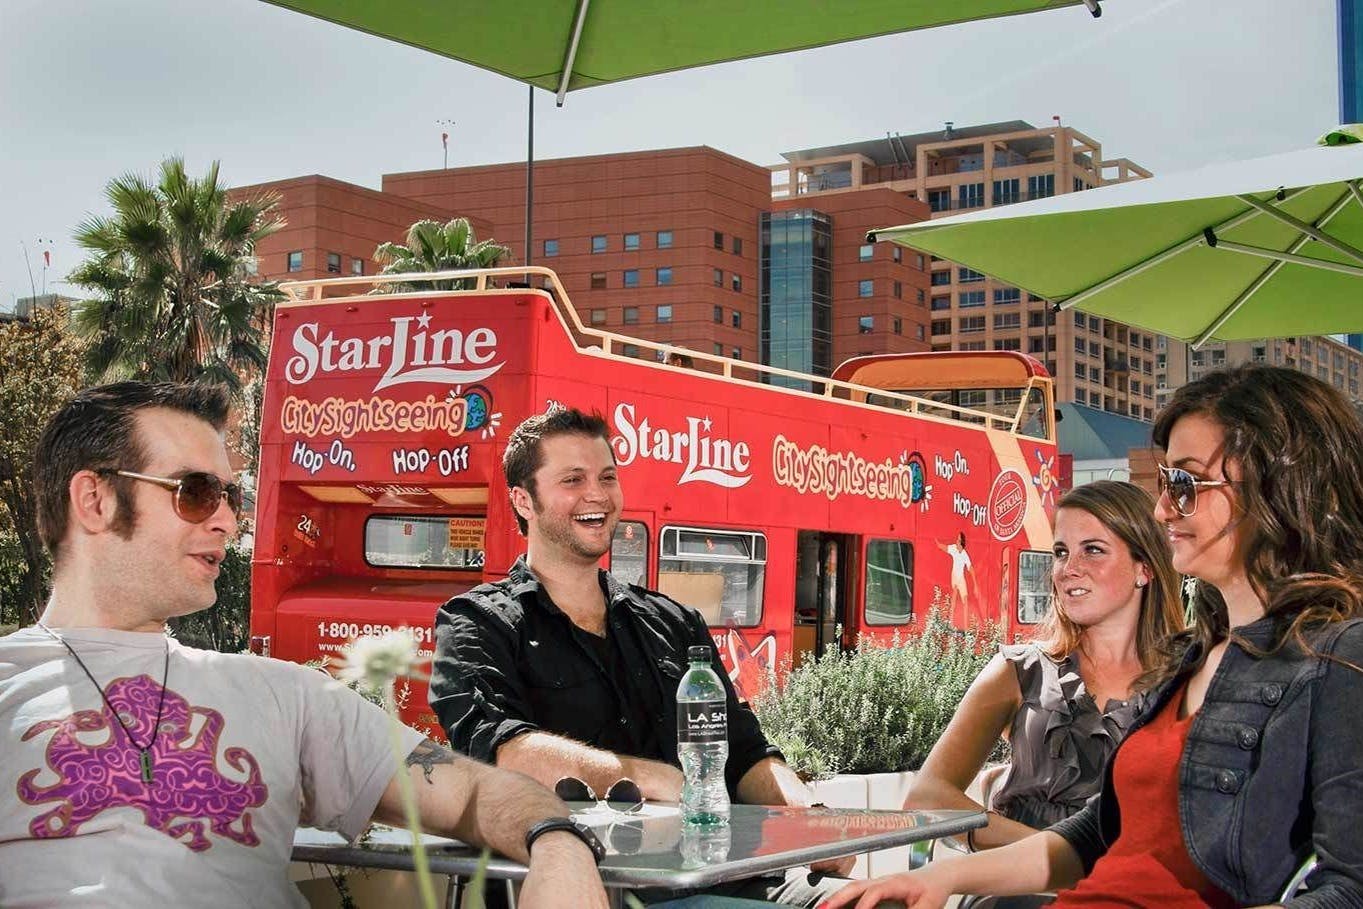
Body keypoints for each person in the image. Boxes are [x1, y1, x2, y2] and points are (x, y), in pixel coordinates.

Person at [0, 382, 608, 908]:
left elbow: (474, 791)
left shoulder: (282, 694)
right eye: (196, 492)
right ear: (96, 500)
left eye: (231, 497)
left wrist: (560, 847)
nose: (227, 521)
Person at [825, 365, 1363, 909]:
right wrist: (937, 879)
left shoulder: (1340, 658)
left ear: (1280, 489)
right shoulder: (1191, 658)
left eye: (1185, 484)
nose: (1162, 509)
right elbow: (1098, 837)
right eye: (1165, 485)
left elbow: (1350, 889)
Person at [429, 406, 851, 907]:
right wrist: (645, 777)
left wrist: (812, 816)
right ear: (524, 500)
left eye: (608, 477)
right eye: (573, 479)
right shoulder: (476, 622)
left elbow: (744, 752)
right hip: (587, 888)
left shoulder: (674, 621)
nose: (597, 494)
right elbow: (500, 751)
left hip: (726, 877)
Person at [905, 483, 1184, 889]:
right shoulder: (1018, 670)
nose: (1068, 568)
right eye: (1060, 552)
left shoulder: (1190, 677)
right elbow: (926, 797)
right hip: (1022, 893)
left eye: (1093, 550)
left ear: (1145, 568)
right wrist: (1055, 856)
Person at [938, 533, 976, 614]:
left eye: (958, 540)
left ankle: (965, 622)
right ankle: (951, 619)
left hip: (961, 577)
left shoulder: (964, 554)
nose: (956, 541)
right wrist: (937, 542)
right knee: (954, 594)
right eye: (957, 540)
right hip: (954, 575)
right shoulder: (954, 548)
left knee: (965, 599)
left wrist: (975, 585)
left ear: (962, 543)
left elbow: (970, 568)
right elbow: (944, 547)